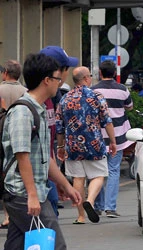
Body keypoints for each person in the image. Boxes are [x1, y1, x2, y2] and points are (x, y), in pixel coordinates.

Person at [0, 53, 82, 250]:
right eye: (57, 78)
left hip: (29, 192)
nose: (60, 83)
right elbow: (22, 155)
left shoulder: (39, 110)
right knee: (53, 246)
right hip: (22, 193)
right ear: (47, 80)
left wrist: (66, 185)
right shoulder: (22, 112)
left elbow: (45, 158)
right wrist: (33, 196)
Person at [56, 66, 117, 224]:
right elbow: (107, 121)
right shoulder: (96, 96)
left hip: (72, 145)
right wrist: (113, 142)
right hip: (94, 143)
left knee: (78, 178)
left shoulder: (65, 98)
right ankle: (89, 200)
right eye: (90, 75)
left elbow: (59, 126)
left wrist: (60, 147)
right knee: (98, 175)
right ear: (85, 79)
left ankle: (81, 216)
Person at [91, 60, 134, 218]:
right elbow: (129, 106)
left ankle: (98, 205)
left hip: (98, 137)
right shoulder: (122, 89)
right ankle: (110, 207)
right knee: (114, 170)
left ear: (100, 73)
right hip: (118, 137)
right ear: (114, 73)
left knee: (98, 171)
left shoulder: (93, 90)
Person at [40, 46, 79, 215]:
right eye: (66, 69)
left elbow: (48, 146)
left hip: (47, 179)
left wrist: (59, 182)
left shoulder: (50, 101)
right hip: (34, 186)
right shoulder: (31, 107)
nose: (66, 75)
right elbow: (24, 154)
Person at [0, 60, 27, 229]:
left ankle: (7, 215)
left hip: (1, 135)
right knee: (15, 173)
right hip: (19, 137)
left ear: (5, 73)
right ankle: (13, 213)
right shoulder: (25, 92)